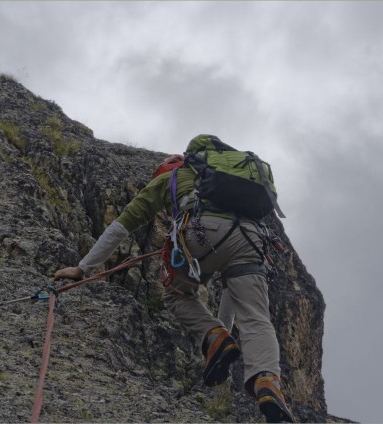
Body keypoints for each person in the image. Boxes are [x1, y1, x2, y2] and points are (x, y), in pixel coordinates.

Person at [54, 134, 295, 423]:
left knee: (176, 294)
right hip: (251, 239)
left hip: (202, 232)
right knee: (256, 316)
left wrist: (83, 268)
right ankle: (267, 382)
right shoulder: (232, 177)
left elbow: (122, 226)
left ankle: (214, 336)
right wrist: (224, 331)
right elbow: (232, 291)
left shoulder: (172, 175)